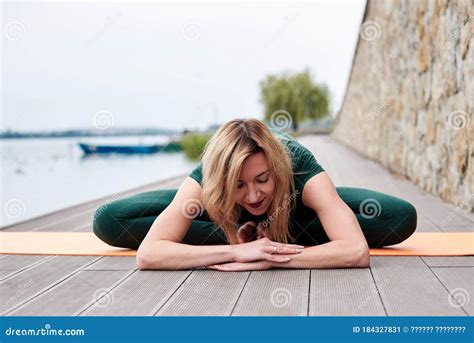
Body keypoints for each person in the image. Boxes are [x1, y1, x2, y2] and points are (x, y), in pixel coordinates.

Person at [93, 118, 417, 271]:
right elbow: (148, 255)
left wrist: (268, 256)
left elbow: (357, 251)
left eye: (262, 179)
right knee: (109, 221)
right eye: (239, 185)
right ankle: (238, 235)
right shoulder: (208, 174)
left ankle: (274, 233)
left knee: (397, 216)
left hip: (295, 214)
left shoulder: (298, 163)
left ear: (274, 167)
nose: (252, 196)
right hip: (222, 217)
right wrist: (235, 253)